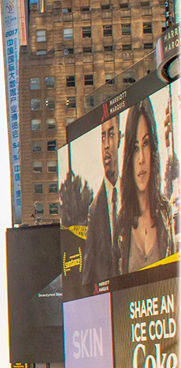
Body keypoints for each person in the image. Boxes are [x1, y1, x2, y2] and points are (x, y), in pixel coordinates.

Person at [116, 98, 174, 273]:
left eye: (146, 143)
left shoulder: (166, 213)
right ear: (128, 157)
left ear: (153, 150)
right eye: (135, 148)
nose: (141, 158)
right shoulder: (121, 224)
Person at [82, 115, 122, 285]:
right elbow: (88, 274)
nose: (106, 144)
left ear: (120, 138)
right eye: (103, 137)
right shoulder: (94, 209)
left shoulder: (134, 192)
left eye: (111, 135)